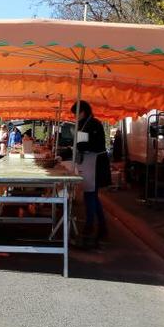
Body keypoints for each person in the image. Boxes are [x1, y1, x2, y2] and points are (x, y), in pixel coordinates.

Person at [72, 100, 111, 241]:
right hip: (88, 163)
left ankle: (92, 227)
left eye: (75, 113)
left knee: (91, 195)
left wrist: (79, 146)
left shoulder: (94, 124)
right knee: (91, 195)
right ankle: (100, 227)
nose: (74, 117)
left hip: (96, 163)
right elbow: (81, 145)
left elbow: (93, 145)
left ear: (82, 111)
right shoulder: (84, 124)